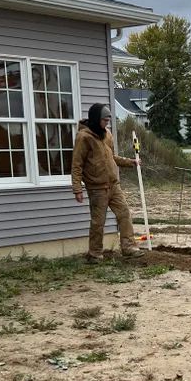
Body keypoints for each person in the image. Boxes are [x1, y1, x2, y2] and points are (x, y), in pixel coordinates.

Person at [71, 103, 138, 263]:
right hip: (97, 188)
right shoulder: (84, 137)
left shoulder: (107, 134)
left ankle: (129, 248)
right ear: (96, 119)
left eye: (108, 120)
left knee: (124, 214)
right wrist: (77, 188)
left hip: (114, 185)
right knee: (98, 222)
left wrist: (131, 162)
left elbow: (111, 157)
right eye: (104, 120)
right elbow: (76, 164)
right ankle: (94, 254)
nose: (107, 123)